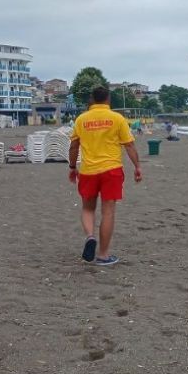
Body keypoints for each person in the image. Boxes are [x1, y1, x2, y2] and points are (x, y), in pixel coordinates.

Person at [68, 86, 143, 265]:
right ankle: (103, 255)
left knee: (88, 208)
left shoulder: (81, 119)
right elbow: (129, 145)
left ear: (92, 100)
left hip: (88, 170)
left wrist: (72, 167)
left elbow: (74, 146)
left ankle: (90, 236)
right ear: (108, 99)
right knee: (108, 212)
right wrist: (137, 167)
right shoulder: (117, 118)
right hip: (111, 170)